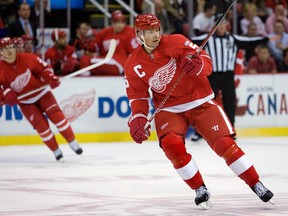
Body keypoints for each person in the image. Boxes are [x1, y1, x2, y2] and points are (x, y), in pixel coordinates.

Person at [124, 13, 273, 209]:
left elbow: (205, 60)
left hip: (199, 100)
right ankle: (199, 188)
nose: (155, 35)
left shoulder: (176, 41)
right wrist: (138, 117)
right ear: (139, 34)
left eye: (157, 30)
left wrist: (197, 65)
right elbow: (138, 96)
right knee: (171, 144)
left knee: (224, 144)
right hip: (169, 108)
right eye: (149, 31)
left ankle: (256, 183)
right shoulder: (133, 63)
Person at [0, 37, 83, 161]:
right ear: (1, 52)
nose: (9, 50)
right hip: (26, 103)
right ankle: (56, 151)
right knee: (42, 127)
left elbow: (45, 68)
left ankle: (73, 142)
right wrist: (5, 94)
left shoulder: (28, 58)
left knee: (57, 117)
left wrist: (50, 77)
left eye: (11, 47)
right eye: (5, 48)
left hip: (42, 93)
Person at [191, 19, 269, 141]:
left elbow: (249, 41)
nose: (221, 27)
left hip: (228, 75)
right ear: (214, 26)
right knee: (207, 104)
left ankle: (230, 130)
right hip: (213, 75)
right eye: (218, 24)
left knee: (230, 104)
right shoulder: (206, 39)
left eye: (223, 24)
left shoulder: (233, 39)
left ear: (226, 25)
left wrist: (266, 39)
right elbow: (188, 41)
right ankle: (201, 132)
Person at [90, 10, 139, 75]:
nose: (119, 25)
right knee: (85, 59)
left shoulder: (130, 32)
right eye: (116, 22)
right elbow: (93, 47)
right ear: (112, 23)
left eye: (122, 22)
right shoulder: (105, 32)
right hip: (104, 59)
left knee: (87, 61)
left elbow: (134, 53)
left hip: (119, 63)